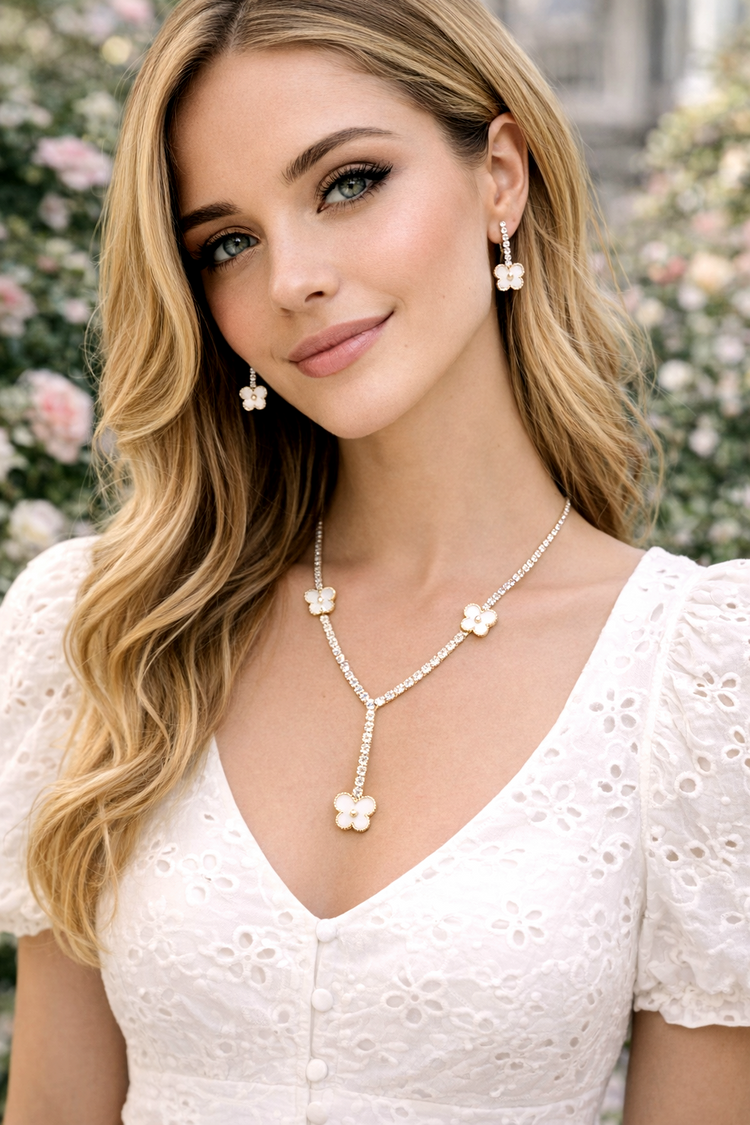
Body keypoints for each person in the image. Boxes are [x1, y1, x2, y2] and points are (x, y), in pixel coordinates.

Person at [2, 0, 750, 1121]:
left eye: (348, 183)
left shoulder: (696, 677)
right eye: (229, 243)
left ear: (502, 176)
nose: (293, 277)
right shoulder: (111, 630)